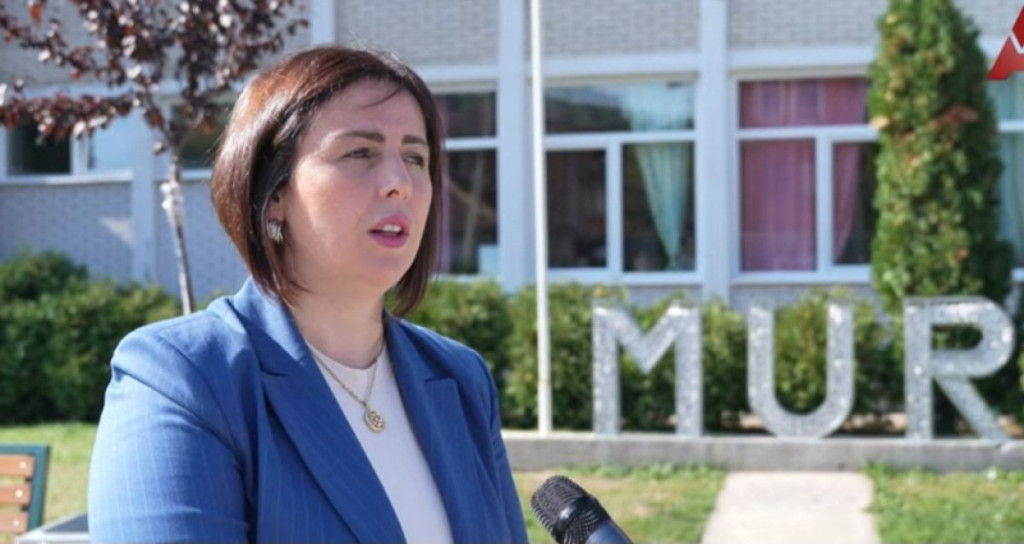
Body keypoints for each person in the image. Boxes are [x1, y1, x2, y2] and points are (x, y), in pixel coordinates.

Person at [87, 45, 529, 544]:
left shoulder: (461, 378)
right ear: (274, 194)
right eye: (359, 153)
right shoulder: (183, 377)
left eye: (415, 157)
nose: (399, 184)